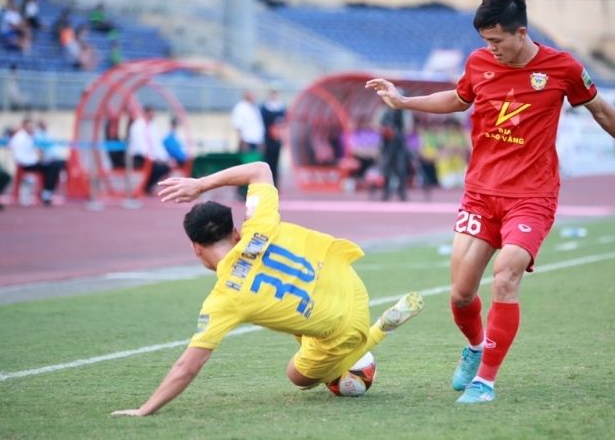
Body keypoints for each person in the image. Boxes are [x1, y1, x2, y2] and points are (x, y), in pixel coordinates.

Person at [366, 0, 615, 404]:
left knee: (506, 275)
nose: (490, 50)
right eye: (485, 42)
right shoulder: (479, 62)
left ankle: (485, 381)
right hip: (480, 193)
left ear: (520, 33)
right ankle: (475, 346)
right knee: (460, 293)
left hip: (532, 195)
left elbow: (600, 109)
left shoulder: (562, 68)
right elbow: (457, 97)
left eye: (496, 41)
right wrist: (402, 102)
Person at [110, 161, 424, 417]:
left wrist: (145, 409)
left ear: (195, 248)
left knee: (298, 377)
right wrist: (200, 185)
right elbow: (260, 168)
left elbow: (189, 365)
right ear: (234, 233)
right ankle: (339, 349)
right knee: (295, 317)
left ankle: (379, 330)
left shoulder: (225, 298)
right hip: (348, 282)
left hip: (343, 326)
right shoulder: (257, 224)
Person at [9, 118, 65, 206]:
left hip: (32, 162)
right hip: (26, 164)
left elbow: (37, 151)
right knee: (52, 167)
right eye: (29, 126)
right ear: (23, 126)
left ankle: (47, 192)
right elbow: (21, 156)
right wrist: (37, 159)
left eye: (32, 126)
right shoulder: (20, 138)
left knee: (55, 165)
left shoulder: (30, 136)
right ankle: (46, 194)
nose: (31, 128)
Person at [127, 106, 171, 195]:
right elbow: (141, 146)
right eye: (151, 114)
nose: (152, 116)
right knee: (158, 167)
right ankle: (146, 186)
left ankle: (147, 185)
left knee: (166, 166)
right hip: (139, 156)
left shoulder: (151, 126)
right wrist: (154, 158)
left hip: (149, 156)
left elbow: (157, 145)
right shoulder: (138, 126)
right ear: (145, 113)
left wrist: (165, 158)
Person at [378, 108, 409, 201]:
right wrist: (388, 131)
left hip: (399, 146)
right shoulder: (385, 112)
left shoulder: (402, 113)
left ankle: (401, 192)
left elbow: (405, 128)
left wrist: (396, 133)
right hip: (388, 146)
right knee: (386, 170)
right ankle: (386, 192)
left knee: (401, 170)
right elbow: (382, 128)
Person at [260, 87, 286, 189]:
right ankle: (267, 184)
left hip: (277, 140)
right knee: (267, 163)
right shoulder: (264, 108)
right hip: (267, 140)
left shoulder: (281, 107)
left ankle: (275, 184)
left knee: (276, 163)